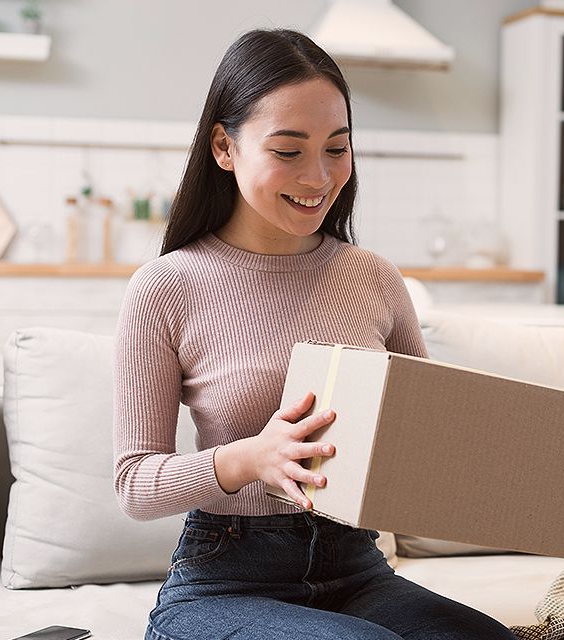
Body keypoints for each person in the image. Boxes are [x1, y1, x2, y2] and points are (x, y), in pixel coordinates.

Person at [113, 28, 517, 640]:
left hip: (355, 567)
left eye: (337, 148)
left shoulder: (371, 277)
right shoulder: (165, 287)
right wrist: (250, 458)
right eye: (288, 150)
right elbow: (134, 483)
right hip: (224, 581)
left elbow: (433, 443)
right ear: (224, 146)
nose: (318, 176)